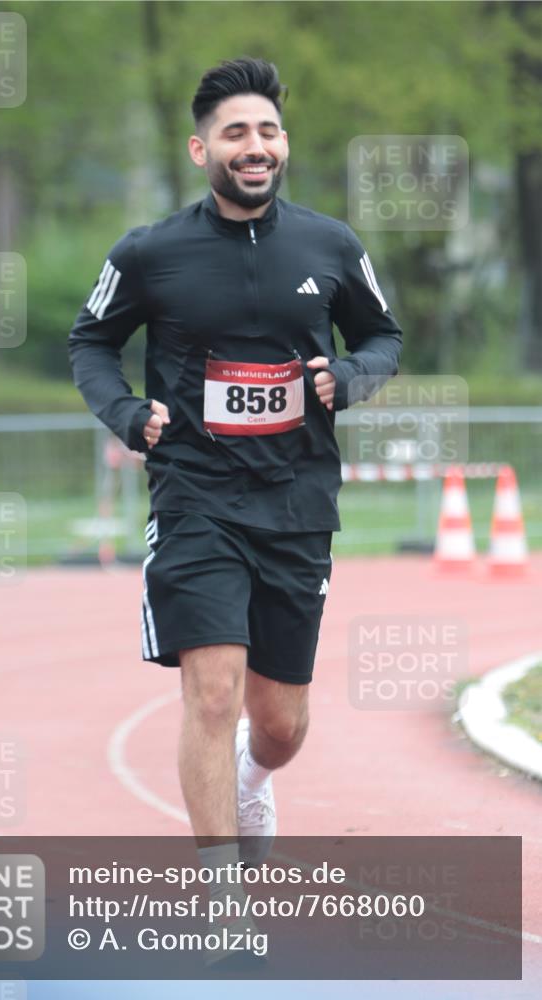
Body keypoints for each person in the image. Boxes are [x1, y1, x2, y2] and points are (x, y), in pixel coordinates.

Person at [69, 58, 402, 871]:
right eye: (234, 134)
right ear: (200, 150)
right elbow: (91, 341)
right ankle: (222, 898)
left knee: (280, 723)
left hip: (296, 501)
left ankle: (255, 775)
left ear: (282, 143)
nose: (253, 147)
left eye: (266, 131)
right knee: (210, 692)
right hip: (195, 494)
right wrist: (124, 413)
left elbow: (381, 337)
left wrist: (350, 377)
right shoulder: (151, 253)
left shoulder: (329, 244)